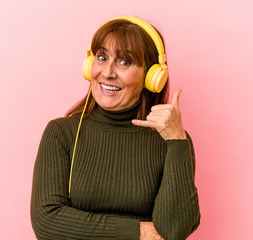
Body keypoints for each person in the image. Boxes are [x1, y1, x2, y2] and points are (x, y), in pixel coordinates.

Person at [30, 16, 200, 240]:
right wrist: (138, 232)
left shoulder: (173, 141)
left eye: (124, 62)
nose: (107, 72)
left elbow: (174, 231)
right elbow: (47, 221)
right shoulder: (61, 133)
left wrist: (177, 142)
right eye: (101, 57)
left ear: (151, 76)